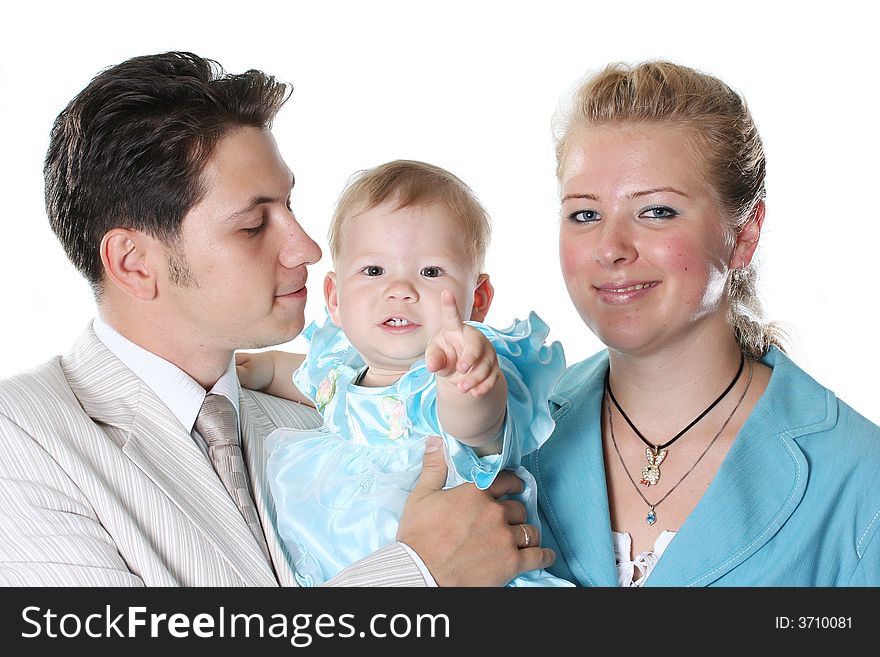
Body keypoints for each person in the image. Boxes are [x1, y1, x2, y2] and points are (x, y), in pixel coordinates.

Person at [0, 51, 554, 587]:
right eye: (252, 225)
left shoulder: (328, 409)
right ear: (134, 264)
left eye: (290, 206)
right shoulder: (24, 435)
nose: (309, 249)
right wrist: (420, 574)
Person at [525, 60, 880, 586]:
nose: (610, 248)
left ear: (743, 235)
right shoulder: (506, 438)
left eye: (657, 212)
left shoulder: (860, 480)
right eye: (584, 214)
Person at [237, 160, 571, 586]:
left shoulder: (447, 384)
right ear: (335, 299)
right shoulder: (341, 373)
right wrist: (263, 368)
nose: (400, 289)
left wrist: (468, 384)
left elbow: (476, 426)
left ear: (478, 297)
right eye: (374, 271)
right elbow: (307, 380)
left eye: (430, 272)